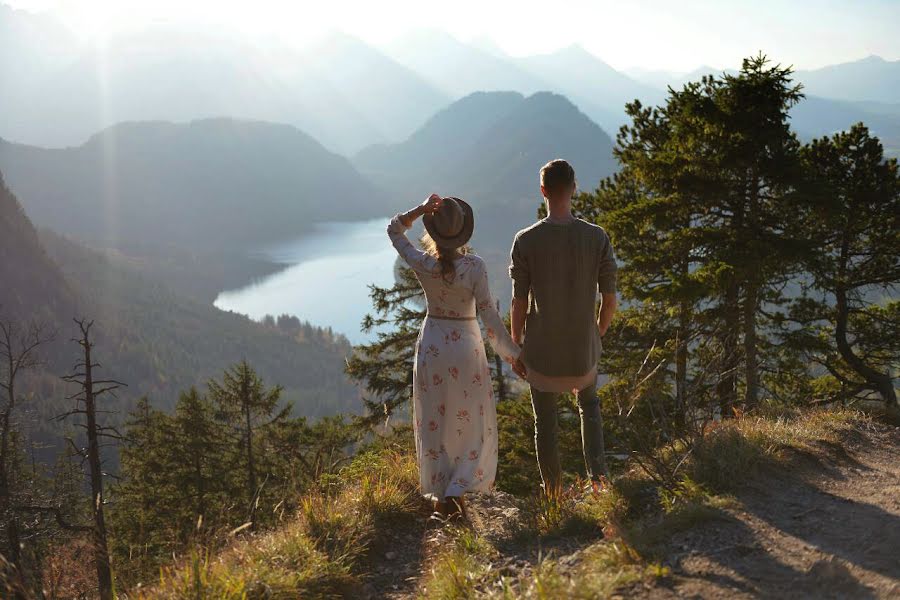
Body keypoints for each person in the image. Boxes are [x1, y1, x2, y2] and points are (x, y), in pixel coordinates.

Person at [388, 194, 523, 518]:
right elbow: (489, 318)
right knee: (470, 420)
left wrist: (419, 210)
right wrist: (514, 355)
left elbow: (394, 231)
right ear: (464, 233)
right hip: (465, 347)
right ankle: (457, 489)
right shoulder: (474, 267)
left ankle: (442, 495)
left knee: (436, 420)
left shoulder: (423, 264)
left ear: (433, 232)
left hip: (432, 345)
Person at [508, 159, 618, 497]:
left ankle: (553, 492)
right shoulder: (597, 237)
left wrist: (516, 347)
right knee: (590, 409)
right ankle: (599, 482)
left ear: (542, 191)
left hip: (542, 356)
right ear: (574, 189)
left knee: (546, 424)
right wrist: (595, 335)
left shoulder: (526, 241)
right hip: (582, 354)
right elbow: (610, 300)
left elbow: (519, 304)